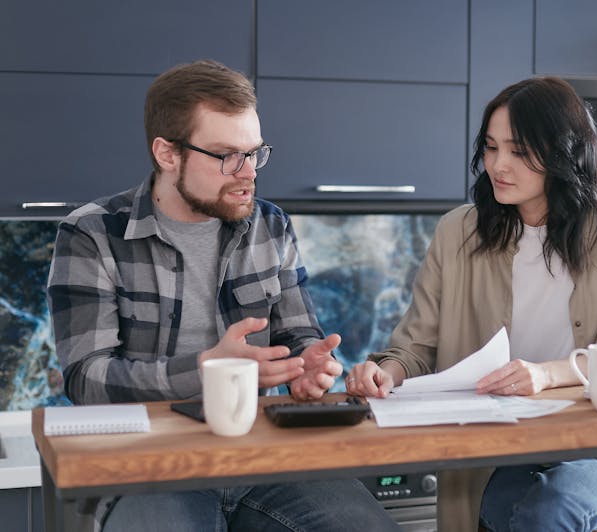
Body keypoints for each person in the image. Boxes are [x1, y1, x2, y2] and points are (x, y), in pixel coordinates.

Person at [47, 59, 399, 532]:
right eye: (227, 156)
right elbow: (86, 380)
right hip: (150, 467)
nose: (248, 172)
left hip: (266, 458)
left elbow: (299, 334)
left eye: (255, 153)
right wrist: (207, 372)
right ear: (168, 154)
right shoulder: (92, 233)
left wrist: (307, 369)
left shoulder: (270, 225)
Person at [346, 76, 597, 532]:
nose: (498, 164)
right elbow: (415, 347)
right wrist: (384, 373)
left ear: (561, 152)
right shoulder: (459, 232)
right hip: (494, 450)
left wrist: (546, 374)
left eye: (518, 150)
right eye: (491, 148)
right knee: (520, 516)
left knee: (550, 511)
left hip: (591, 442)